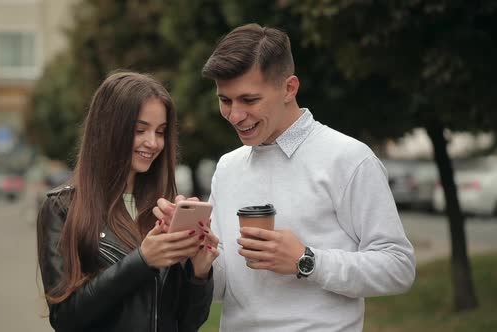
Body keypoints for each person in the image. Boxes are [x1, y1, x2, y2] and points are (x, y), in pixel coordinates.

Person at [154, 24, 416, 331]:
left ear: (289, 88)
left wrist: (307, 261)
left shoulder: (349, 158)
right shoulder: (227, 167)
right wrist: (198, 252)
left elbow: (399, 267)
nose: (235, 115)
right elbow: (225, 288)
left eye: (249, 100)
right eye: (225, 100)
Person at [36, 71, 219, 331]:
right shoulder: (62, 208)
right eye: (140, 130)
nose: (153, 143)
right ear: (107, 129)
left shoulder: (164, 209)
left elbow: (187, 323)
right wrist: (143, 260)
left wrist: (199, 273)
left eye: (160, 131)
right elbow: (65, 318)